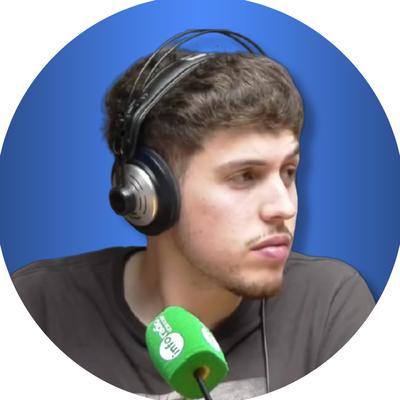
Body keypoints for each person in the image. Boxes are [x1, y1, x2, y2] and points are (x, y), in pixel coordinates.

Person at [12, 30, 375, 400]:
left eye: (288, 172)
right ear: (149, 194)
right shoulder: (39, 308)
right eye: (244, 176)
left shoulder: (328, 304)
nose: (284, 207)